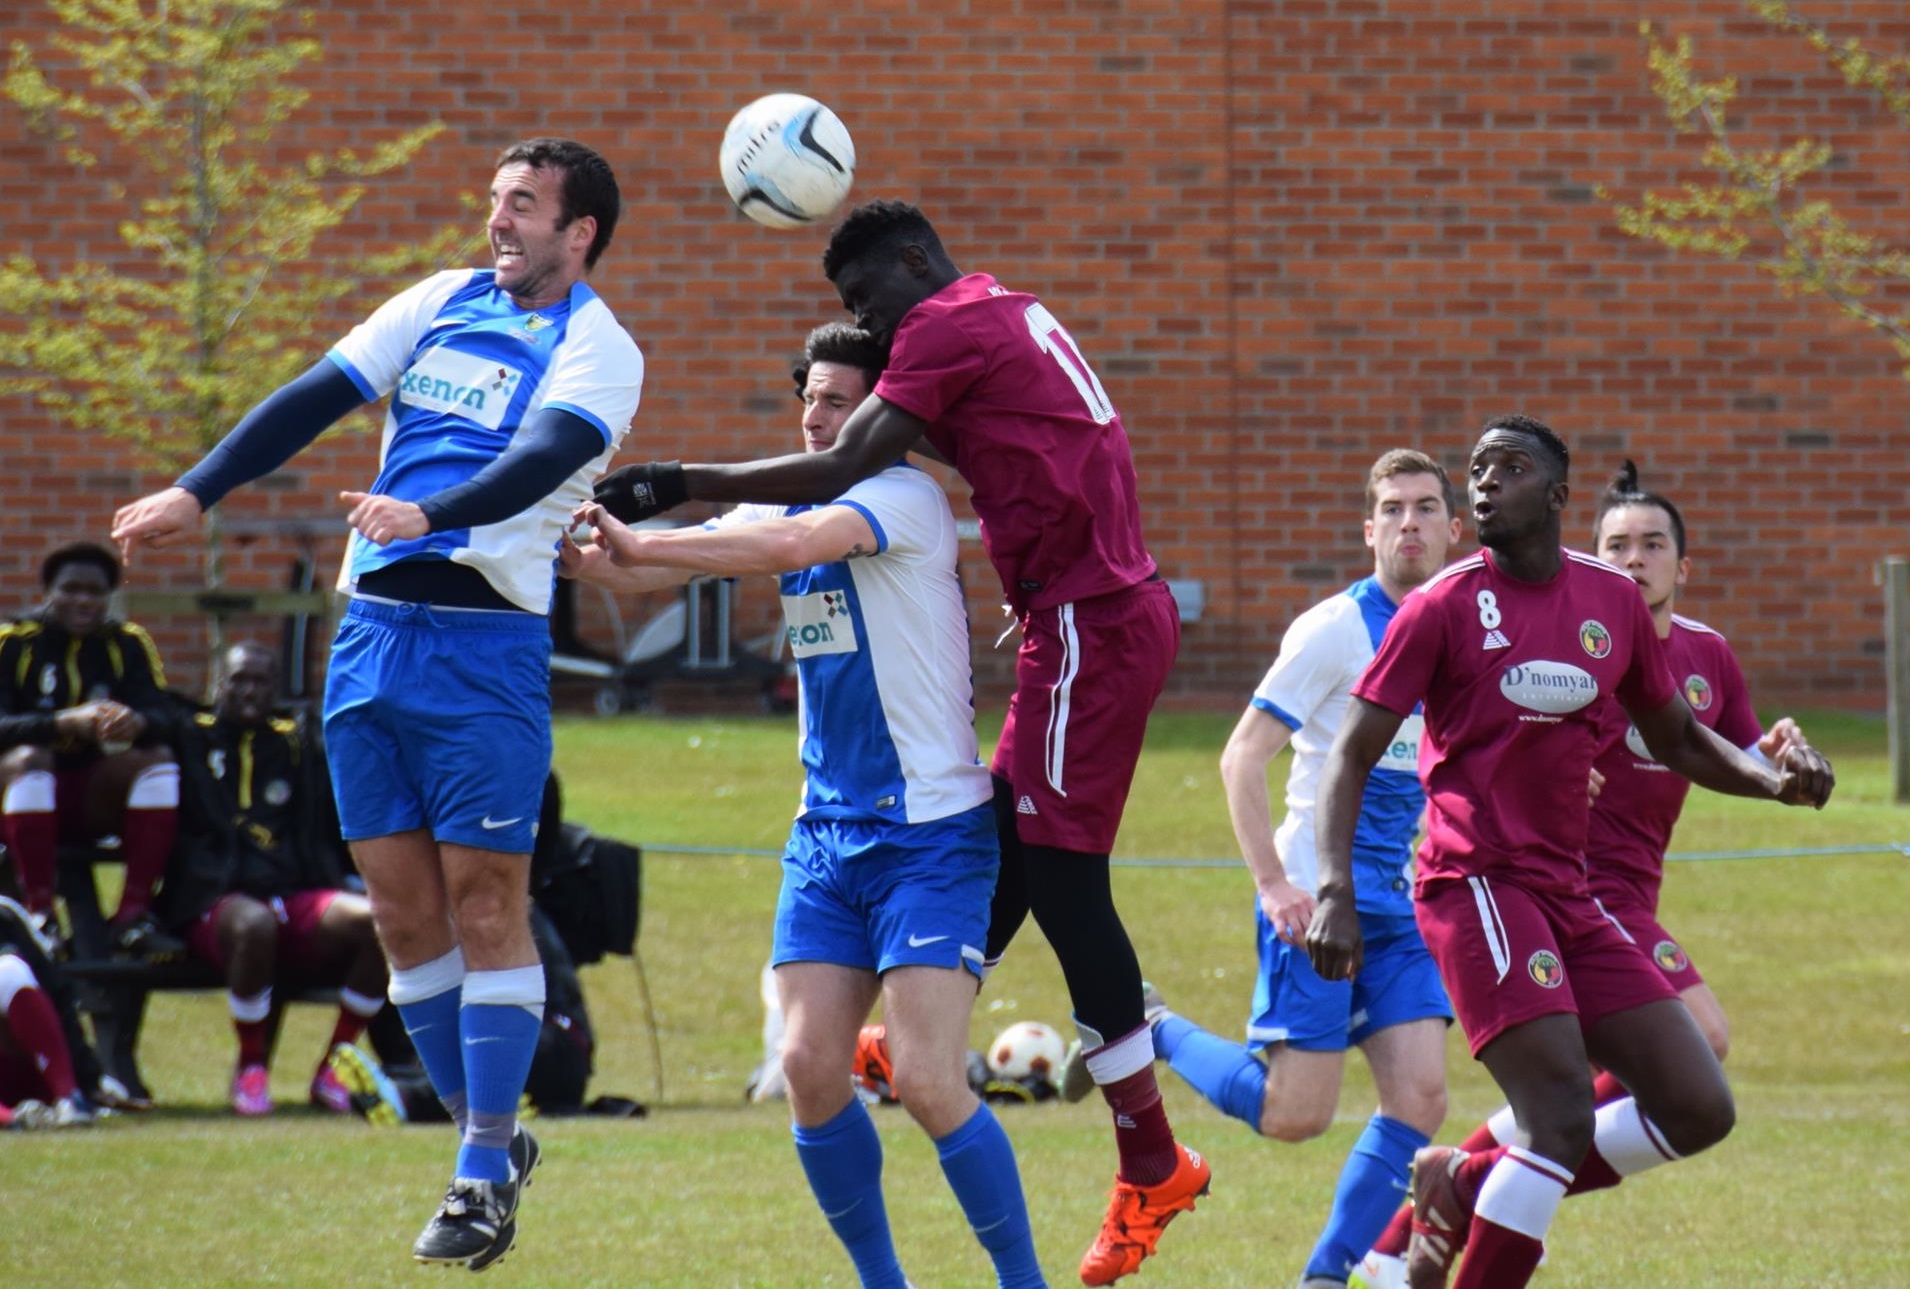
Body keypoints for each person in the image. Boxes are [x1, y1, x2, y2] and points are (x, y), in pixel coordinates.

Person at [593, 200, 1205, 1286]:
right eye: (817, 394)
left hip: (1087, 629)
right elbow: (1019, 451)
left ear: (916, 263)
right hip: (1063, 625)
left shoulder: (932, 360)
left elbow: (822, 490)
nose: (836, 402)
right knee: (1012, 852)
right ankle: (932, 1050)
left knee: (1067, 885)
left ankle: (1150, 1155)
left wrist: (675, 481)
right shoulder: (997, 319)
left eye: (868, 304)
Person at [110, 137, 642, 1270]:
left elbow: (544, 458)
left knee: (486, 904)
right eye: (495, 200)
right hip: (370, 645)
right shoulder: (440, 300)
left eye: (523, 206)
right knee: (402, 916)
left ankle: (477, 1168)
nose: (497, 221)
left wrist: (430, 512)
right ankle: (489, 1155)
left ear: (578, 231)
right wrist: (195, 490)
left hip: (485, 652)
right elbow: (317, 395)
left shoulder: (599, 348)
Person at [569, 321, 1047, 1289]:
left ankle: (1023, 1281)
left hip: (931, 835)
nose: (816, 413)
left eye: (839, 399)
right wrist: (592, 546)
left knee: (923, 1077)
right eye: (811, 396)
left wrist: (669, 513)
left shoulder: (903, 494)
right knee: (808, 1063)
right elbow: (661, 559)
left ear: (884, 414)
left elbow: (788, 539)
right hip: (826, 837)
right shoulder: (791, 502)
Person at [1306, 415, 1833, 1289]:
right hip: (1472, 882)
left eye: (1507, 469)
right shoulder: (1442, 605)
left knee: (1699, 1104)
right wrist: (1330, 888)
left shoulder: (1610, 603)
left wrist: (1775, 782)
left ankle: (1461, 1181)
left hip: (1568, 894)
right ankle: (1448, 1222)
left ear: (1554, 495)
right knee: (1556, 1115)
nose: (1483, 484)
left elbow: (1680, 738)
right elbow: (1349, 751)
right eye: (1476, 470)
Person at [1138, 450, 1459, 1289]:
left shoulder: (1462, 629)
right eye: (1391, 509)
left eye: (1425, 508)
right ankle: (1154, 1030)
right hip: (1321, 900)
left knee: (1421, 1098)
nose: (1409, 524)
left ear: (1454, 530)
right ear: (1368, 530)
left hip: (1408, 906)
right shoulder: (1334, 630)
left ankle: (1327, 1273)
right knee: (1294, 1115)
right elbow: (1242, 755)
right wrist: (1276, 884)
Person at [160, 641, 388, 1117]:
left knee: (385, 922)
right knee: (255, 924)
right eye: (238, 679)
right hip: (216, 903)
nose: (249, 691)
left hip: (292, 894)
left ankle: (333, 1068)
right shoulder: (189, 736)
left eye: (261, 682)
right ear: (216, 684)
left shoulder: (296, 744)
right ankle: (251, 1068)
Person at [0, 542, 184, 958]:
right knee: (32, 759)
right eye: (71, 589)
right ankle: (39, 914)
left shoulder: (127, 643)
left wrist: (138, 722)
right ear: (49, 591)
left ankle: (133, 914)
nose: (83, 600)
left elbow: (168, 717)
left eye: (96, 592)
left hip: (87, 799)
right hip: (13, 798)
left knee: (158, 762)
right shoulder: (12, 642)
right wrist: (61, 723)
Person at [0, 895, 107, 1129]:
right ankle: (13, 1120)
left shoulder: (3, 915)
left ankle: (69, 1099)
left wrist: (86, 1078)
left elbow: (57, 994)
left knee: (10, 971)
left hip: (26, 1070)